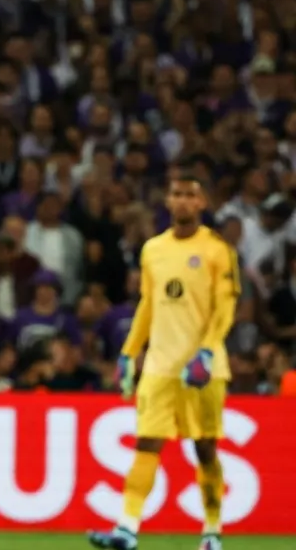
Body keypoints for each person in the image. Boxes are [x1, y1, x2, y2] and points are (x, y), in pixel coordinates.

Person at [88, 175, 239, 550]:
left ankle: (212, 531)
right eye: (177, 194)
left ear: (201, 202)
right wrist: (128, 352)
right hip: (159, 366)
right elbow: (148, 304)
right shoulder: (153, 249)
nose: (183, 201)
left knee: (205, 448)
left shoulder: (217, 250)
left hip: (204, 368)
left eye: (190, 194)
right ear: (168, 201)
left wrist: (207, 350)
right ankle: (126, 529)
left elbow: (225, 306)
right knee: (146, 443)